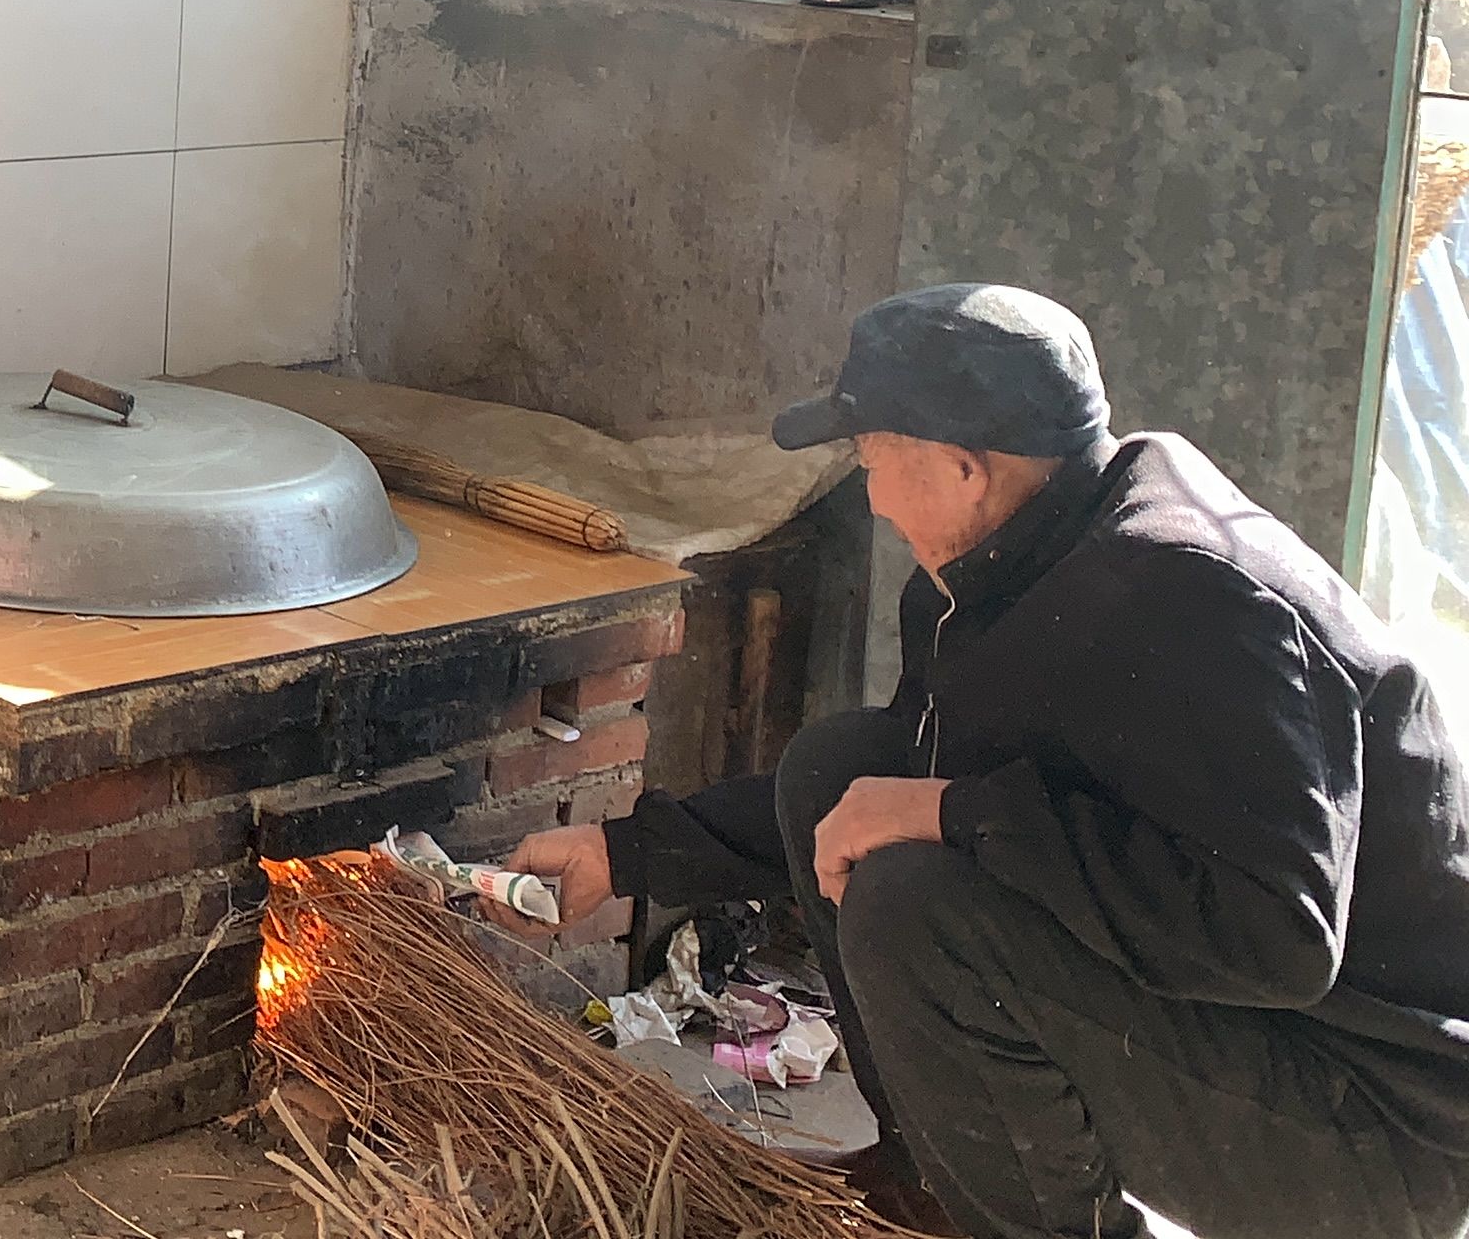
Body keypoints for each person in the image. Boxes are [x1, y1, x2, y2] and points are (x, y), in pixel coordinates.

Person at [508, 284, 1469, 1239]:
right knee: (842, 771)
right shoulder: (1003, 559)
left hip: (1379, 1115)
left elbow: (1277, 939)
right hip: (1260, 1030)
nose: (872, 498)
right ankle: (930, 1182)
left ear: (966, 470)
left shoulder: (1196, 606)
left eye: (874, 462)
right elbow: (893, 787)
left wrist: (958, 814)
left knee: (914, 907)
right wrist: (624, 855)